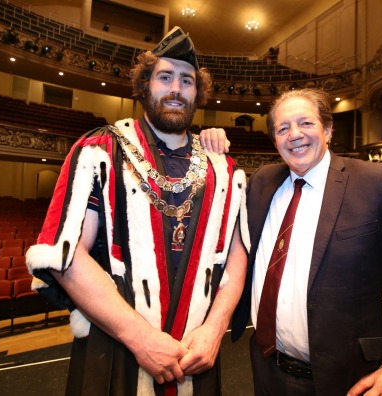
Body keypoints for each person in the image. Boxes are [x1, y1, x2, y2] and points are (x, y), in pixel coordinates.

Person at [26, 26, 248, 395]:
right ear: (145, 85)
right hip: (117, 348)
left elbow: (236, 256)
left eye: (187, 81)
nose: (176, 89)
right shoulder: (100, 151)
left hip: (198, 351)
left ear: (198, 92)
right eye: (165, 77)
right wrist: (140, 337)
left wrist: (214, 330)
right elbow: (67, 258)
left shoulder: (221, 167)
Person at [229, 88, 382, 395]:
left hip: (346, 380)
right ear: (275, 140)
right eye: (283, 128)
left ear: (328, 130)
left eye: (306, 123)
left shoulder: (377, 185)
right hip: (266, 370)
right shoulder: (263, 182)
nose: (295, 135)